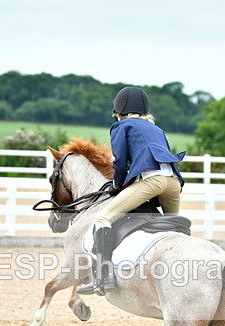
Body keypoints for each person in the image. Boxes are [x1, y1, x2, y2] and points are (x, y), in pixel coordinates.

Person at [77, 86, 186, 295]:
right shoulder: (156, 128)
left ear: (118, 110)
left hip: (151, 182)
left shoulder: (121, 126)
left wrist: (118, 186)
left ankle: (103, 277)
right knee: (173, 225)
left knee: (103, 219)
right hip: (173, 182)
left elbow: (119, 162)